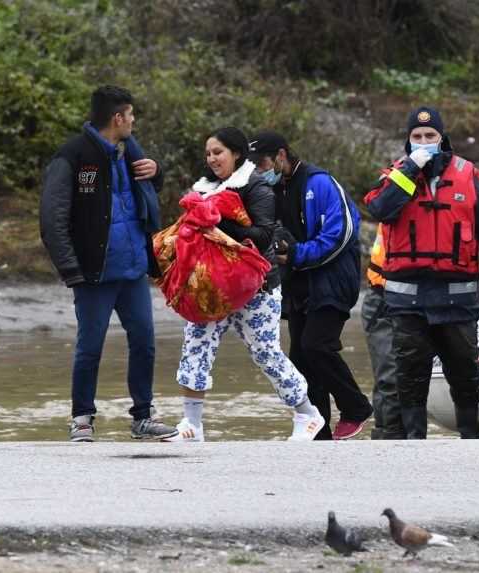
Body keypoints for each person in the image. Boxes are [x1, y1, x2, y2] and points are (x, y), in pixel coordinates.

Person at [164, 127, 325, 442]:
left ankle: (308, 414)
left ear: (236, 153)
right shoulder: (203, 189)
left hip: (256, 286)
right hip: (212, 285)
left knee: (265, 352)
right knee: (196, 344)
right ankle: (192, 425)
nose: (212, 158)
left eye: (218, 152)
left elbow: (264, 234)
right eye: (208, 153)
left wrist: (218, 225)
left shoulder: (256, 188)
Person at [39, 85, 177, 442]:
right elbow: (52, 219)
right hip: (94, 273)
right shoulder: (72, 156)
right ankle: (82, 418)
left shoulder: (130, 154)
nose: (133, 122)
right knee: (90, 347)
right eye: (130, 115)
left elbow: (145, 198)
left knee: (145, 342)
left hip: (132, 270)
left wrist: (156, 172)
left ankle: (143, 417)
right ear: (117, 118)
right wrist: (71, 269)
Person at [364, 106, 479, 439]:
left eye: (431, 136)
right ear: (408, 141)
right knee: (410, 375)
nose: (424, 141)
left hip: (456, 297)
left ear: (443, 139)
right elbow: (379, 207)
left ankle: (470, 436)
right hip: (406, 299)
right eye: (417, 137)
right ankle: (416, 441)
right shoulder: (396, 174)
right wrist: (411, 168)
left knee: (465, 372)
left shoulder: (469, 175)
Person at [248, 131, 373, 440]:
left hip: (332, 281)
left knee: (316, 346)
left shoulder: (320, 182)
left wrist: (295, 255)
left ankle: (356, 407)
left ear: (280, 155)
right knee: (302, 359)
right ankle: (318, 431)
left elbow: (341, 232)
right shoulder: (271, 191)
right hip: (299, 284)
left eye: (262, 164)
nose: (259, 171)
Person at [360, 224, 406, 439]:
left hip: (417, 293)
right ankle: (389, 434)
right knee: (389, 376)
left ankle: (398, 433)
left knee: (402, 375)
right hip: (384, 294)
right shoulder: (394, 194)